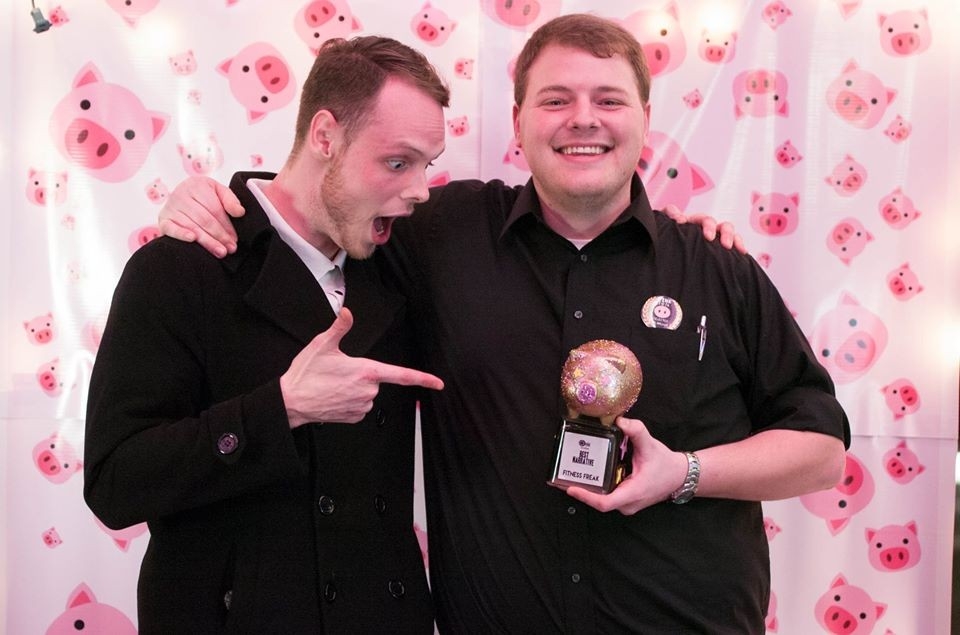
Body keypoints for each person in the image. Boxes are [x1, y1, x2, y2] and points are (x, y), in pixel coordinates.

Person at [158, 15, 849, 634]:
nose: (584, 119)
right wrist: (224, 201)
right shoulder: (439, 234)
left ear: (644, 115)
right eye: (556, 100)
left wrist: (685, 472)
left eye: (608, 99)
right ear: (518, 123)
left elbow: (822, 450)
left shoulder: (717, 269)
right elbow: (328, 201)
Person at [83, 37, 451, 634]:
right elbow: (116, 484)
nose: (418, 190)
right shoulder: (182, 270)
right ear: (326, 136)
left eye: (426, 164)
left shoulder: (399, 263)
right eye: (398, 162)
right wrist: (281, 409)